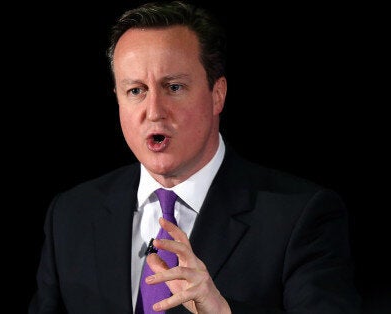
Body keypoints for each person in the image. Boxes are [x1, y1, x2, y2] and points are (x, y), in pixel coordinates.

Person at [28, 1, 361, 313]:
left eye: (174, 87)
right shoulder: (71, 215)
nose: (153, 111)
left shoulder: (300, 217)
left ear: (217, 95)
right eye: (136, 91)